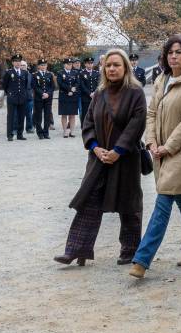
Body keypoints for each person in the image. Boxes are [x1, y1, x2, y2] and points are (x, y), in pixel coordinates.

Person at [128, 36, 181, 278]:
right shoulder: (161, 79)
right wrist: (152, 142)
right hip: (160, 151)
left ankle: (142, 260)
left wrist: (168, 147)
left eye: (179, 52)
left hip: (180, 153)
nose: (174, 56)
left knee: (163, 203)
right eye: (170, 52)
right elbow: (151, 112)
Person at [57, 49, 147, 266]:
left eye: (116, 65)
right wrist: (96, 148)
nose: (112, 69)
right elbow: (88, 124)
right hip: (99, 158)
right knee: (88, 201)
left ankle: (130, 250)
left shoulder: (135, 92)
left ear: (125, 67)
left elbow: (136, 125)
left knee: (129, 204)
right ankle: (76, 250)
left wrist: (118, 151)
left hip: (125, 158)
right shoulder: (99, 93)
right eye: (108, 65)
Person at [2, 56, 32, 141]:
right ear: (12, 63)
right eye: (15, 61)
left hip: (22, 97)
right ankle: (10, 135)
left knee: (21, 116)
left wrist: (24, 94)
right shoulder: (9, 73)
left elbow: (26, 85)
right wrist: (10, 93)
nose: (17, 63)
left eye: (19, 61)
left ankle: (20, 134)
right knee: (11, 116)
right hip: (12, 97)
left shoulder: (24, 73)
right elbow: (5, 85)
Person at [31, 59, 56, 139]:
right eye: (41, 65)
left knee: (47, 115)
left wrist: (47, 94)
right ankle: (40, 132)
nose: (43, 66)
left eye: (44, 65)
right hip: (39, 98)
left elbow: (52, 87)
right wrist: (42, 93)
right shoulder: (35, 75)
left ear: (46, 66)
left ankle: (46, 132)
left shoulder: (50, 74)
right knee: (38, 116)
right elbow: (34, 86)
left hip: (48, 98)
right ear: (38, 66)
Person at [57, 58, 81, 138]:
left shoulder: (75, 72)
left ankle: (72, 131)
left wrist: (73, 89)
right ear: (64, 65)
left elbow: (78, 82)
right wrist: (69, 90)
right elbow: (60, 83)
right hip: (64, 95)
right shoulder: (60, 73)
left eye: (71, 64)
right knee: (64, 114)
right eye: (68, 64)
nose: (70, 66)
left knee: (72, 114)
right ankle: (65, 131)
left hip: (73, 95)